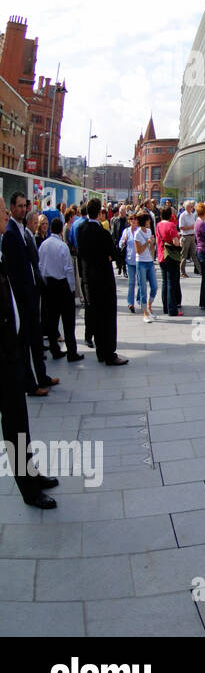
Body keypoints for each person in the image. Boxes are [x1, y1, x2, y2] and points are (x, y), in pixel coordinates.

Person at [0, 213, 59, 508]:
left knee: (19, 422)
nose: (7, 215)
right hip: (3, 355)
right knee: (13, 424)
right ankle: (29, 491)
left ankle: (31, 475)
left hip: (12, 351)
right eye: (2, 211)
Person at [3, 193, 55, 394]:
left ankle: (42, 377)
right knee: (25, 344)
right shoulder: (10, 233)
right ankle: (30, 385)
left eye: (25, 206)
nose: (23, 209)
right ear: (12, 208)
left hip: (32, 294)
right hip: (22, 297)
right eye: (19, 206)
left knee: (35, 340)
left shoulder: (22, 231)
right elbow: (15, 271)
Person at [76, 198, 128, 365]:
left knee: (96, 316)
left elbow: (81, 254)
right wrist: (113, 256)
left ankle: (100, 352)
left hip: (88, 279)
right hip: (103, 279)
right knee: (108, 317)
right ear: (99, 213)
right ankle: (109, 353)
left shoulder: (81, 229)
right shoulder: (102, 233)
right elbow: (115, 253)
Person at [38, 216, 81, 362]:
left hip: (50, 284)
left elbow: (40, 267)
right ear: (61, 230)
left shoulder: (43, 245)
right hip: (62, 284)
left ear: (50, 228)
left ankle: (55, 350)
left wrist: (46, 282)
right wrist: (71, 288)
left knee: (52, 319)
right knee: (68, 322)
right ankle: (72, 352)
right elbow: (68, 269)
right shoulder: (62, 246)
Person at [156, 206, 182, 317]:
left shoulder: (158, 225)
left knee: (165, 282)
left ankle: (165, 308)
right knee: (172, 282)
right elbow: (176, 242)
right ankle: (172, 309)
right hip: (170, 256)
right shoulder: (171, 225)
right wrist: (179, 239)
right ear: (170, 214)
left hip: (161, 255)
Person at [134, 211, 158, 322]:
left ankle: (149, 305)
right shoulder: (137, 233)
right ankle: (145, 313)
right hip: (141, 262)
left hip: (149, 261)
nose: (149, 222)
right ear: (144, 221)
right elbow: (138, 251)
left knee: (154, 286)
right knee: (143, 288)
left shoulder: (149, 231)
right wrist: (147, 242)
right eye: (148, 220)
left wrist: (152, 243)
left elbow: (151, 249)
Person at [119, 212, 140, 314]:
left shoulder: (139, 231)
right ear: (129, 221)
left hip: (139, 260)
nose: (133, 221)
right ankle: (130, 303)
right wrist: (122, 242)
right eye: (131, 219)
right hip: (129, 260)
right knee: (131, 282)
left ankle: (140, 299)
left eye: (135, 219)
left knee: (140, 282)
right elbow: (120, 243)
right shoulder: (126, 231)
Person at [178, 200, 197, 277]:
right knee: (184, 255)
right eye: (190, 206)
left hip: (192, 236)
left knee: (194, 254)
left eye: (192, 206)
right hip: (186, 236)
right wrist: (190, 227)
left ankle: (200, 271)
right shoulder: (183, 215)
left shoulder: (192, 215)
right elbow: (181, 227)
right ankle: (182, 271)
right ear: (186, 207)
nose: (192, 208)